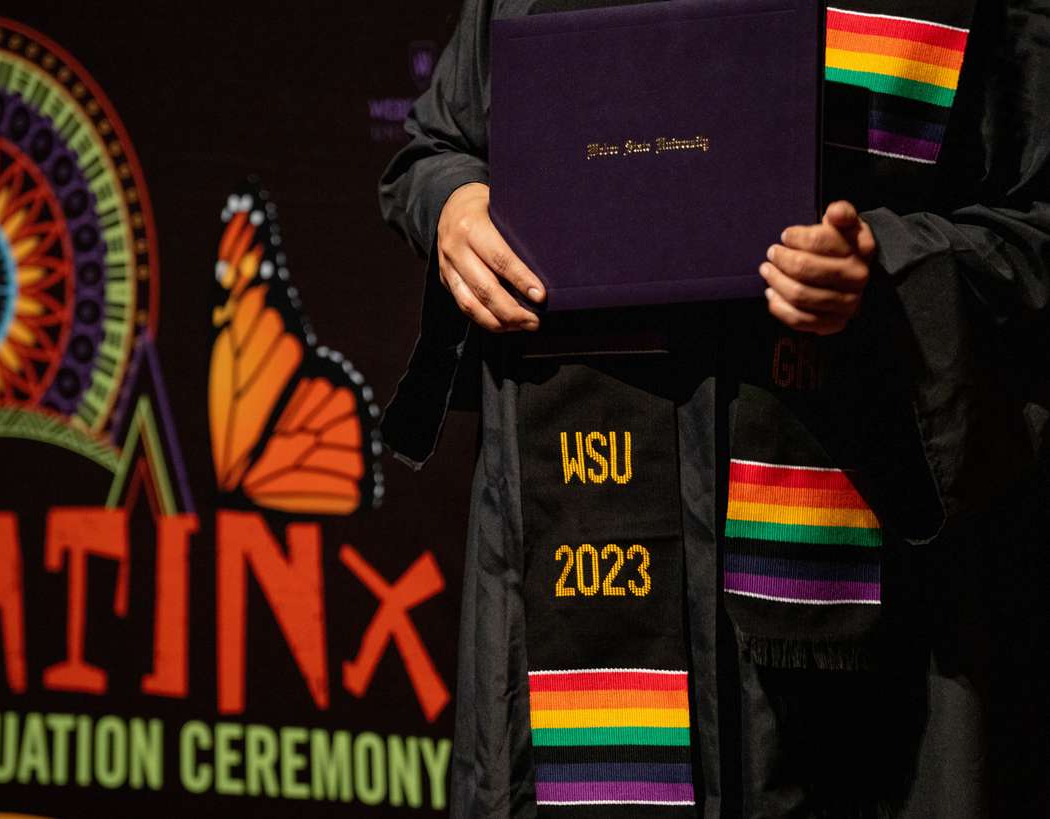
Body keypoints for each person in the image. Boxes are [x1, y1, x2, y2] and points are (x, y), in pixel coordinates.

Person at [379, 1, 1050, 816]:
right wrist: (451, 206)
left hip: (845, 633)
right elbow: (440, 145)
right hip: (571, 581)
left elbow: (1033, 226)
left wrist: (885, 269)